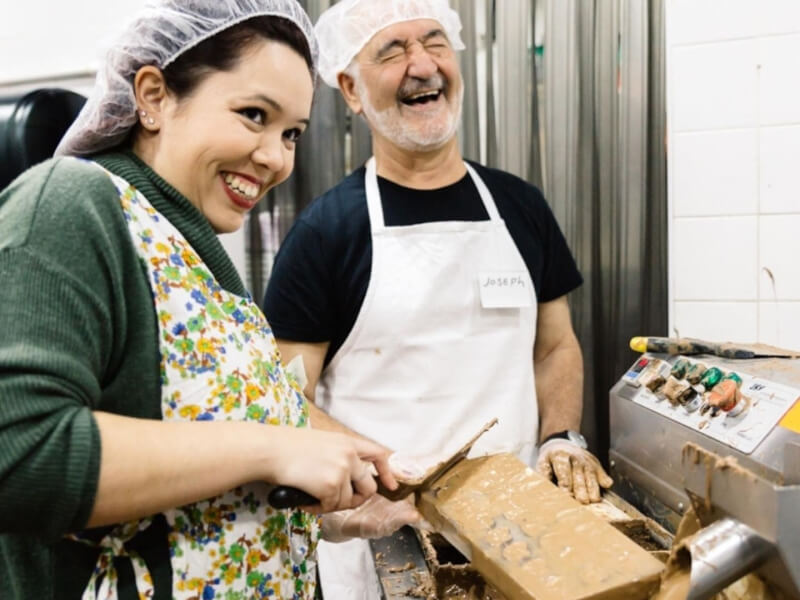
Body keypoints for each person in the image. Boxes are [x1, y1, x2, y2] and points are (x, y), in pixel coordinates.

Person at [0, 1, 401, 598]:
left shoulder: (200, 262)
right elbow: (21, 455)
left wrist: (325, 469)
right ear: (155, 96)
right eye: (253, 114)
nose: (275, 157)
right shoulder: (70, 204)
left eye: (290, 132)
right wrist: (272, 448)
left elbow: (195, 454)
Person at [262, 0, 615, 597]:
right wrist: (373, 473)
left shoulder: (518, 206)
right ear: (350, 88)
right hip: (391, 545)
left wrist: (561, 435)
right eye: (392, 51)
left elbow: (555, 347)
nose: (421, 65)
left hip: (521, 534)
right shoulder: (326, 233)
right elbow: (285, 395)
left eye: (434, 43)